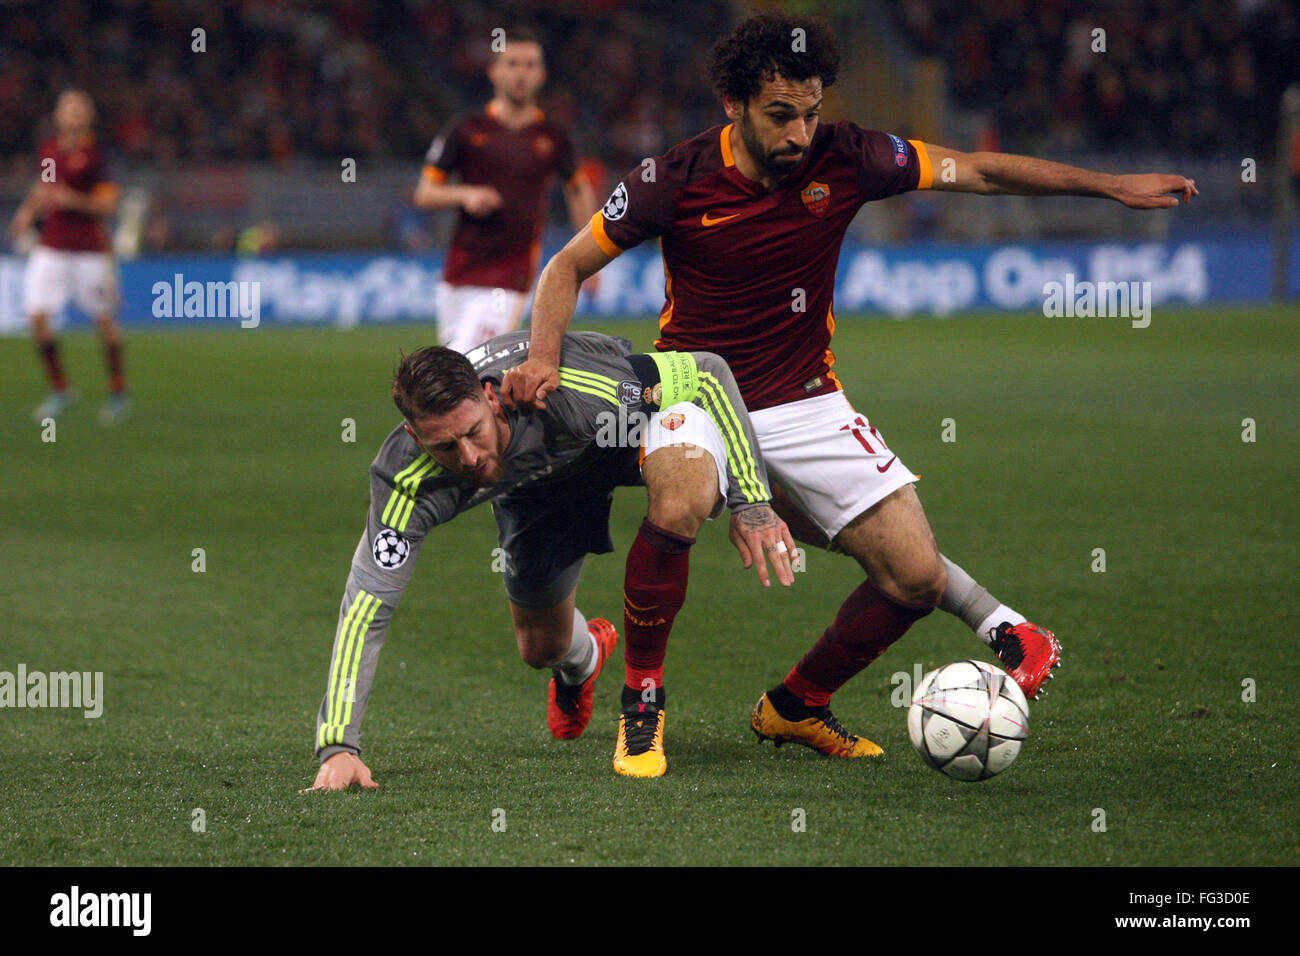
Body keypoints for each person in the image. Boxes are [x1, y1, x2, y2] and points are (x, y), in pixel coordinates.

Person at [502, 11, 1199, 760]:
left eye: (810, 113)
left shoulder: (851, 156)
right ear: (733, 105)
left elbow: (981, 170)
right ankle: (642, 702)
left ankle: (796, 705)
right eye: (780, 116)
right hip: (695, 391)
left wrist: (1111, 187)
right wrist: (543, 357)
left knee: (915, 578)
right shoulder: (672, 178)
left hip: (806, 399)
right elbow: (565, 267)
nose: (800, 134)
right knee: (678, 501)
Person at [306, 330, 795, 789]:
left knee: (681, 492)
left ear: (490, 397)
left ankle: (644, 699)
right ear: (416, 439)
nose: (470, 457)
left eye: (474, 432)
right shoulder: (405, 483)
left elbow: (707, 373)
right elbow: (367, 607)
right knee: (541, 647)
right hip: (535, 488)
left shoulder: (568, 389)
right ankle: (585, 659)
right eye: (445, 447)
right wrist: (338, 745)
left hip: (618, 435)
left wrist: (751, 501)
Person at [413, 28, 598, 353]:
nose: (521, 73)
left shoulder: (554, 137)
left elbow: (578, 190)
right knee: (457, 369)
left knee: (472, 363)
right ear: (494, 71)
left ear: (541, 75)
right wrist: (464, 194)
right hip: (459, 271)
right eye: (512, 63)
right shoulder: (466, 129)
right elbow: (425, 193)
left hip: (511, 275)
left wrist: (592, 258)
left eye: (530, 65)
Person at [8, 89, 128, 425]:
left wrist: (70, 199)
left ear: (88, 116)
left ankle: (118, 391)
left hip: (89, 249)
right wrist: (26, 213)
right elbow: (46, 189)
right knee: (37, 316)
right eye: (67, 108)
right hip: (52, 246)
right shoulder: (49, 150)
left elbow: (107, 206)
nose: (73, 114)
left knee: (104, 321)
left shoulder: (99, 156)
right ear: (59, 115)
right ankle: (61, 389)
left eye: (79, 109)